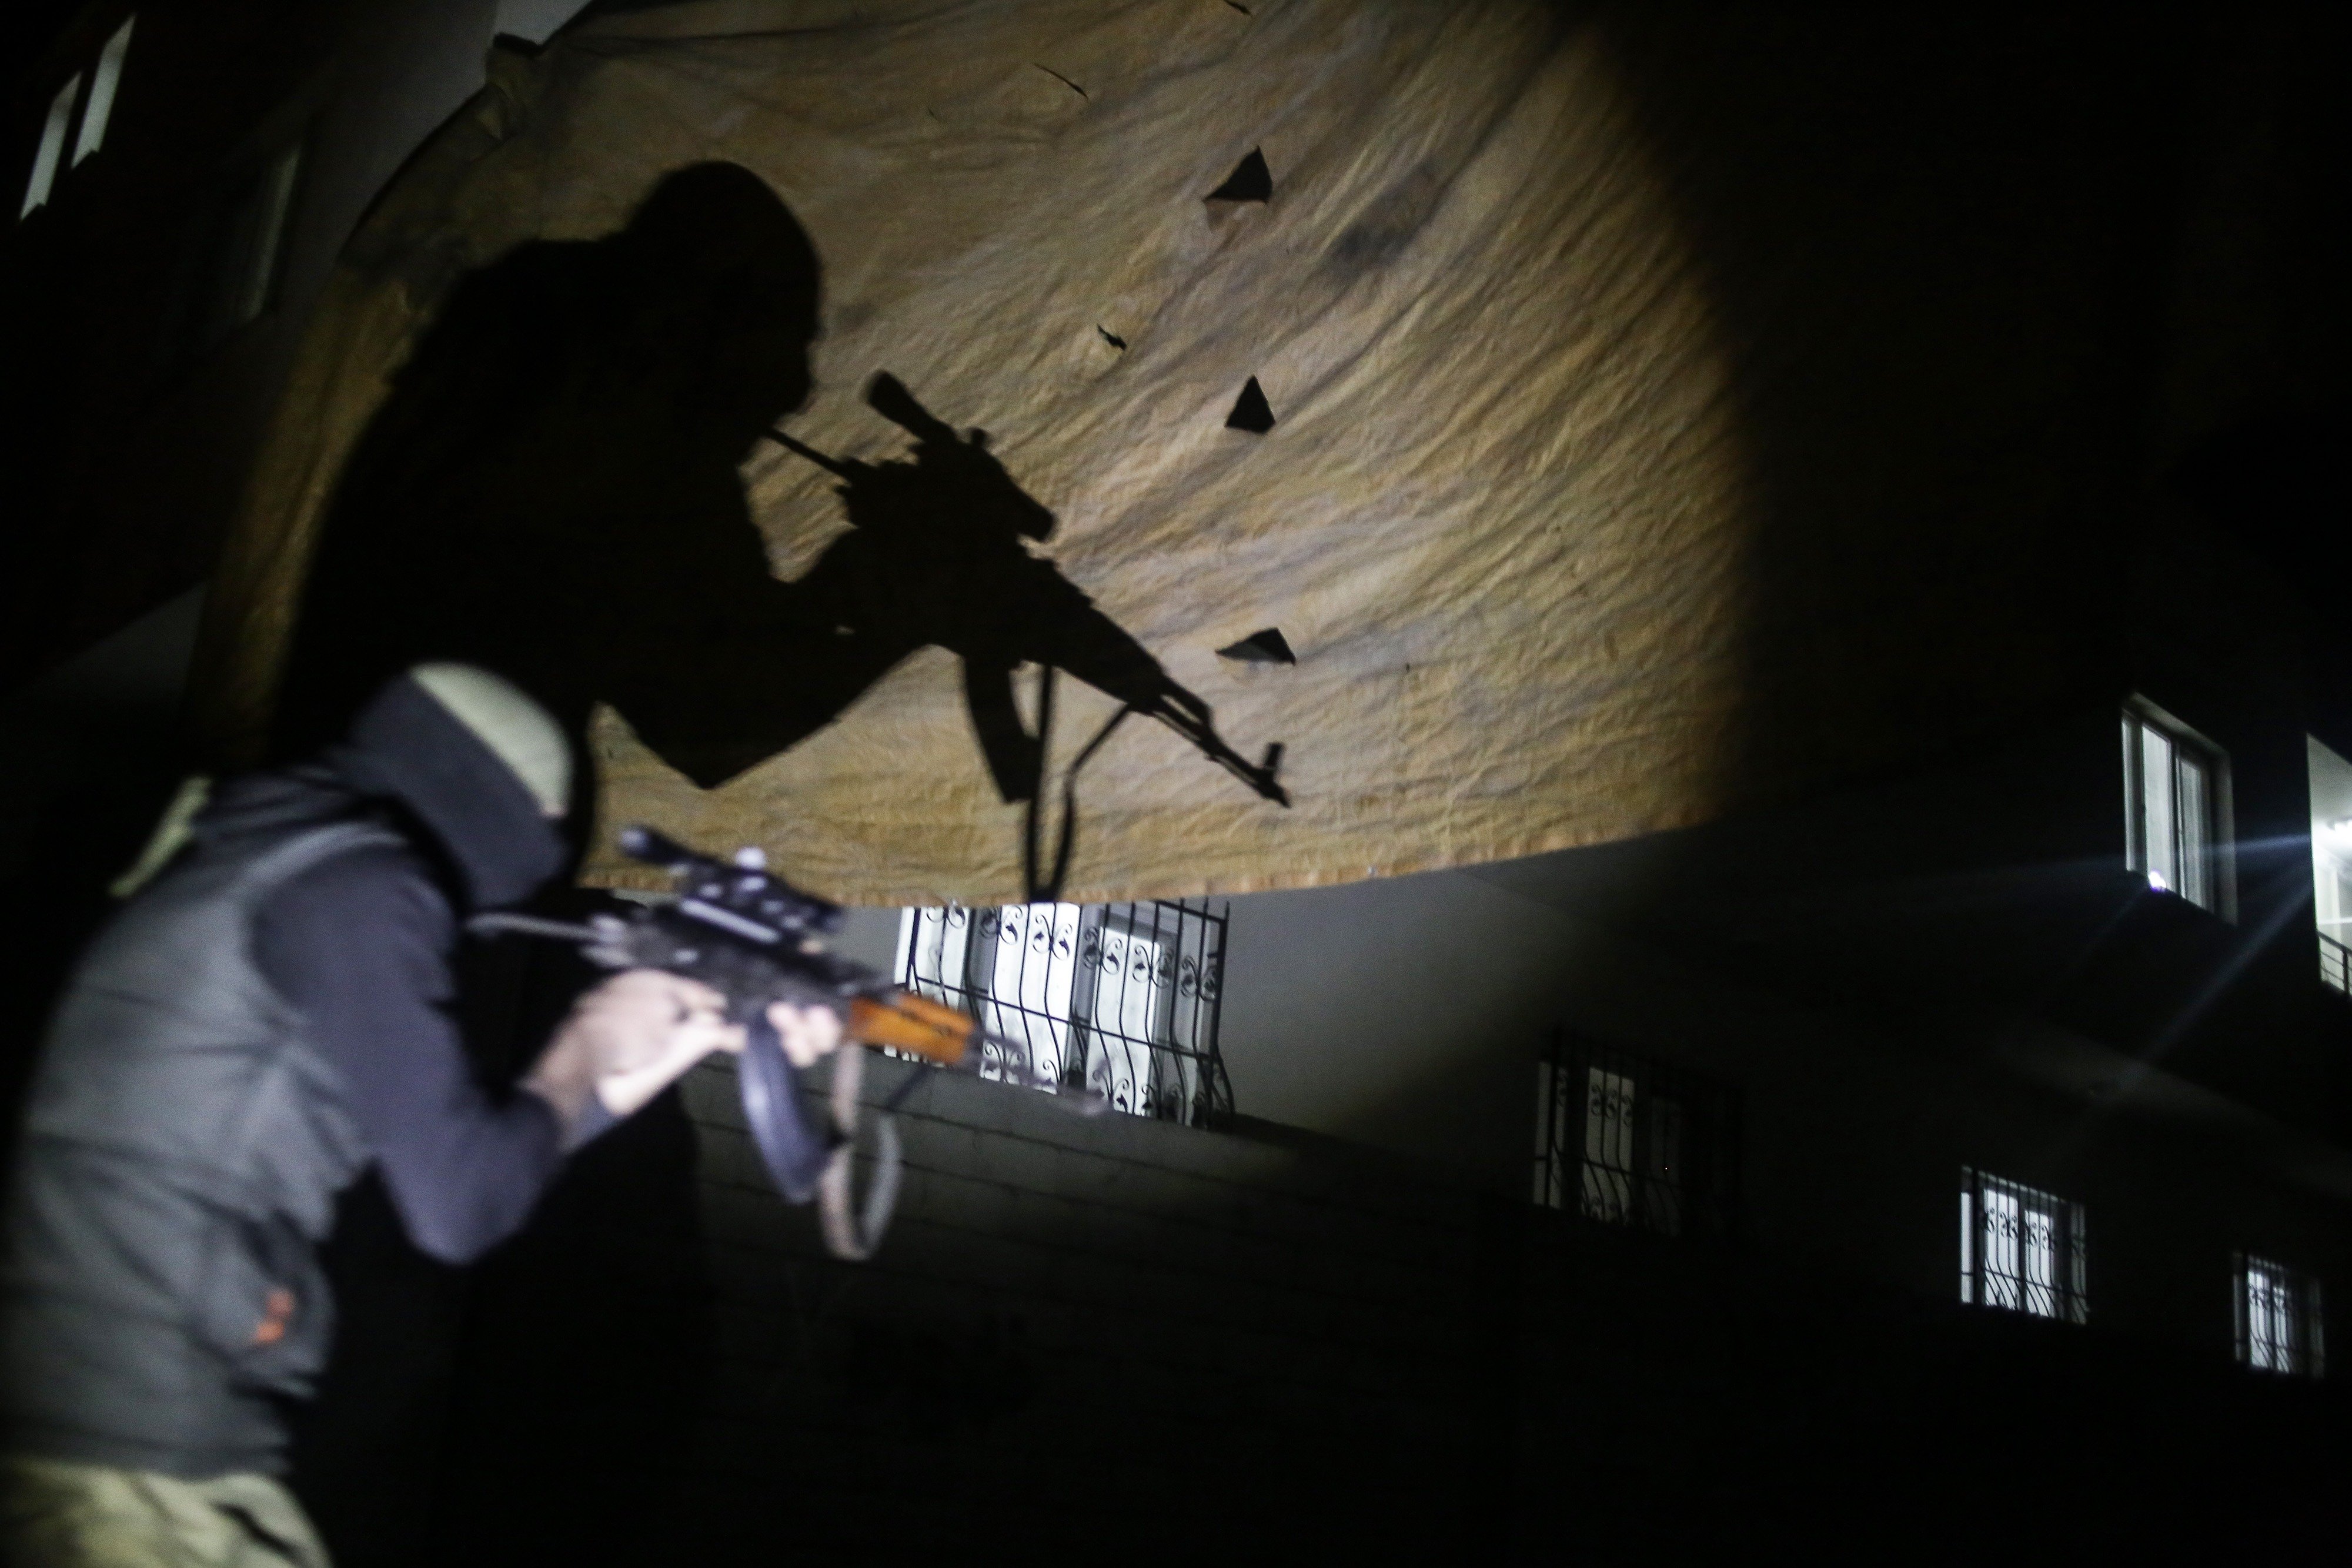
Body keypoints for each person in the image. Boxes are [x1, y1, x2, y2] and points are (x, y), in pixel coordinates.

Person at [0, 663, 841, 1567]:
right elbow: (459, 1205)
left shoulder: (266, 849)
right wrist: (592, 1040)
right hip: (135, 1463)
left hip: (102, 1425)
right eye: (545, 830)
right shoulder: (359, 884)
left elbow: (465, 1152)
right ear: (486, 799)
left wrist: (645, 1057)